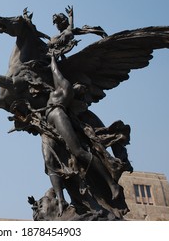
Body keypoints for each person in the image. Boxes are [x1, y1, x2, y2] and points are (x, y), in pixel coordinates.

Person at [44, 54, 121, 216]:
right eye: (81, 85)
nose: (81, 87)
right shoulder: (57, 91)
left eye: (83, 87)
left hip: (58, 115)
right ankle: (60, 199)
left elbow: (54, 70)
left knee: (79, 151)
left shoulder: (65, 86)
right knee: (49, 161)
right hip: (47, 123)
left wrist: (52, 57)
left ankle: (112, 185)